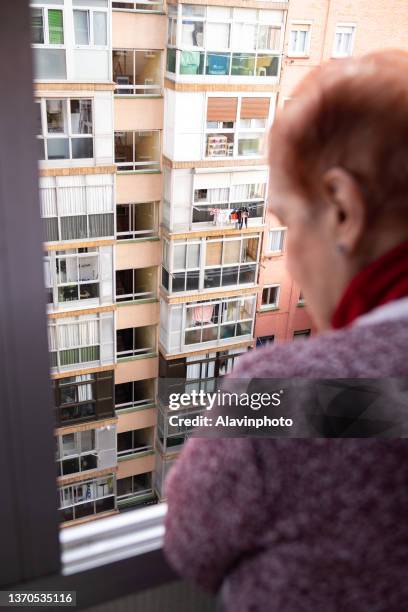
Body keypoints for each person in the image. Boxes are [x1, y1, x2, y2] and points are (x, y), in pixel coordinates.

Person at [164, 50, 408, 611]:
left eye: (288, 222)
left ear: (343, 211)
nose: (291, 258)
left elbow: (190, 547)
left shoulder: (296, 396)